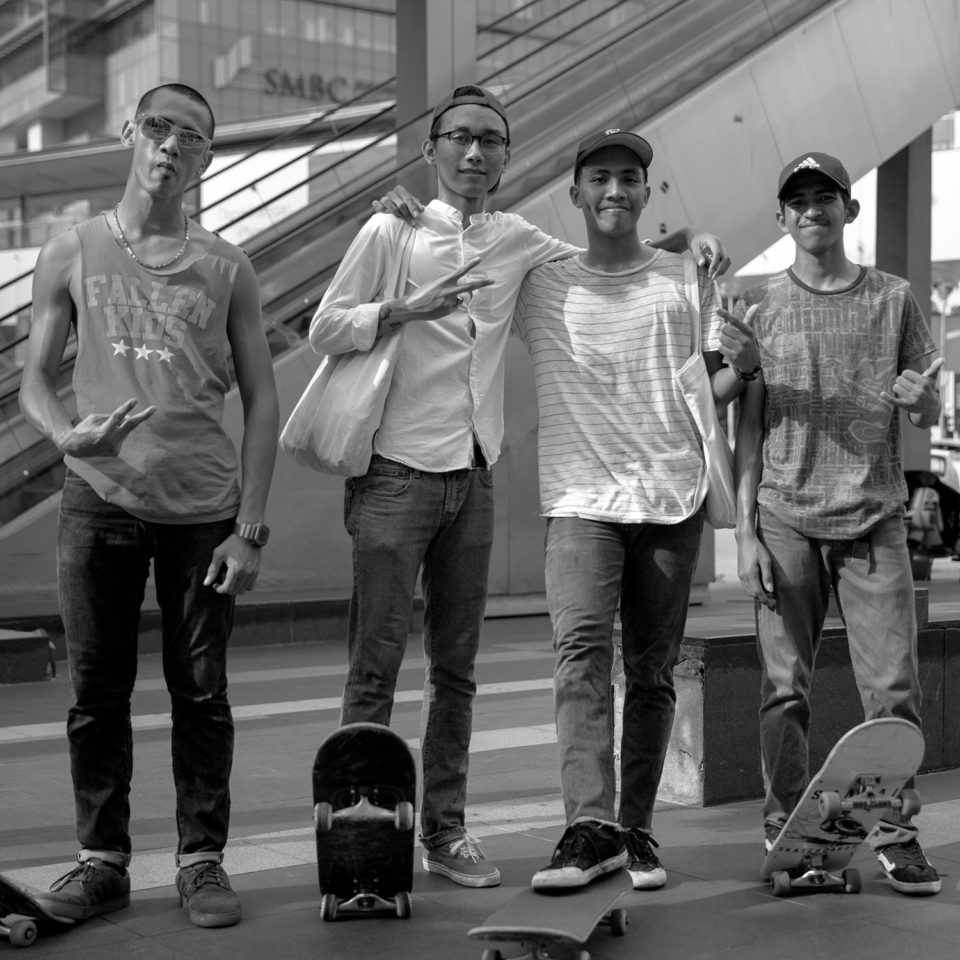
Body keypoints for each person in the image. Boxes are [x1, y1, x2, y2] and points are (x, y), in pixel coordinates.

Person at [308, 85, 727, 889]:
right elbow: (326, 325)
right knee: (378, 663)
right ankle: (361, 831)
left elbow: (627, 255)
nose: (474, 153)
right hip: (397, 472)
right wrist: (401, 308)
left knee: (459, 670)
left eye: (490, 141)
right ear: (432, 149)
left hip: (475, 475)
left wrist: (694, 236)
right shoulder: (392, 226)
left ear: (506, 157)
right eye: (459, 138)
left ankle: (450, 832)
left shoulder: (519, 242)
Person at [18, 83, 280, 927]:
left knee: (199, 692)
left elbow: (264, 401)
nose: (172, 145)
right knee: (97, 691)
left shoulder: (228, 266)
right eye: (159, 126)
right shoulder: (73, 250)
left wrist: (249, 529)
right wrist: (66, 436)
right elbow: (32, 380)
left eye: (192, 138)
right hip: (97, 503)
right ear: (131, 130)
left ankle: (201, 860)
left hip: (202, 511)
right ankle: (103, 861)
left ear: (207, 159)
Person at [507, 129, 759, 892]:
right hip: (580, 499)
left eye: (629, 179)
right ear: (577, 193)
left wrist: (743, 364)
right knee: (580, 654)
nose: (615, 191)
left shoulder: (685, 279)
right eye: (600, 179)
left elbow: (713, 384)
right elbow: (463, 244)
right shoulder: (540, 281)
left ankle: (636, 830)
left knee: (649, 671)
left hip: (670, 496)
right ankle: (588, 826)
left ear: (646, 194)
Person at [733, 151, 942, 895]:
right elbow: (747, 431)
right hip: (783, 518)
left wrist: (924, 403)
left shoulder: (895, 299)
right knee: (783, 688)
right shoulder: (756, 306)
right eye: (798, 200)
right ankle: (787, 822)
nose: (812, 209)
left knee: (892, 691)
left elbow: (927, 407)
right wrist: (745, 529)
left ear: (849, 211)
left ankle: (895, 831)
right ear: (782, 218)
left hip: (875, 517)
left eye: (827, 197)